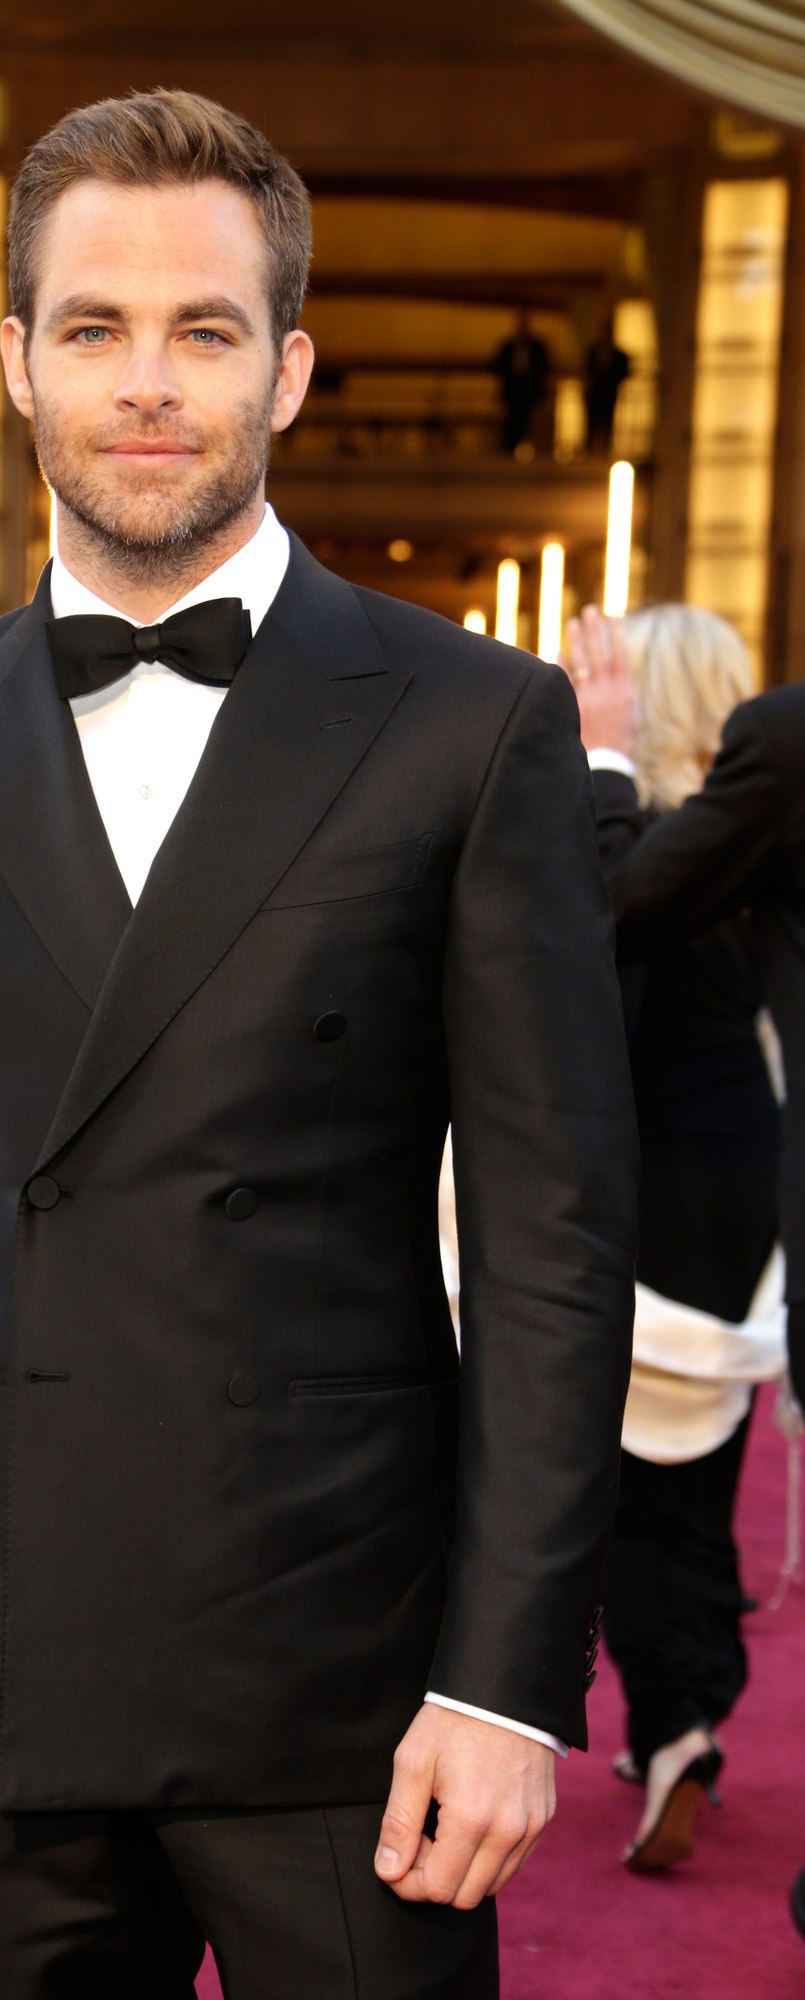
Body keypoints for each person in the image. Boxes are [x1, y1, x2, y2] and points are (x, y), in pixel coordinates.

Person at [0, 91, 637, 2000]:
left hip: (350, 1679)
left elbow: (554, 1240)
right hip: (7, 1658)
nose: (146, 383)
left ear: (285, 369)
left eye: (202, 331)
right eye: (94, 328)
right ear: (19, 362)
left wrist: (506, 1680)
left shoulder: (466, 722)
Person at [588, 606, 781, 1870]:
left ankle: (669, 1722)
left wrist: (597, 775)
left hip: (644, 1175)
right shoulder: (764, 831)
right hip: (746, 1172)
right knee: (703, 1465)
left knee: (615, 1478)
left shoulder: (638, 837)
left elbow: (602, 933)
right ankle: (691, 1701)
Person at [492, 309, 551, 458]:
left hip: (530, 390)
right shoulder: (508, 346)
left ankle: (531, 452)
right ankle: (509, 452)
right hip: (513, 389)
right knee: (512, 423)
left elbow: (544, 366)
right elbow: (499, 365)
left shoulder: (537, 347)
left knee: (530, 423)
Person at [584, 317, 631, 458]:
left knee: (608, 422)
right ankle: (589, 449)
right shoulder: (592, 351)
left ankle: (605, 449)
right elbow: (587, 370)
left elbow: (624, 372)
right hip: (595, 393)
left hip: (609, 393)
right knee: (591, 422)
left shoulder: (619, 355)